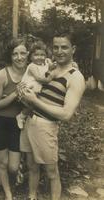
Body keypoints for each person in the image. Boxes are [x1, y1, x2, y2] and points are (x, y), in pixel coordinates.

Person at [19, 31, 86, 200]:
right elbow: (37, 87)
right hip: (30, 121)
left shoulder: (75, 77)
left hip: (46, 126)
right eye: (55, 47)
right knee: (32, 166)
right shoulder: (51, 68)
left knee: (51, 172)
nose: (59, 51)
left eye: (64, 47)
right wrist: (25, 95)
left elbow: (66, 114)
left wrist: (34, 100)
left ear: (73, 49)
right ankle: (32, 196)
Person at [0, 38, 29, 200]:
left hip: (19, 124)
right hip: (1, 122)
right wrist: (15, 93)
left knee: (13, 167)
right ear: (10, 56)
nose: (19, 57)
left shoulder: (31, 73)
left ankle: (15, 174)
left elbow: (50, 71)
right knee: (3, 163)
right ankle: (8, 194)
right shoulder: (1, 75)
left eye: (22, 53)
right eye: (15, 54)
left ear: (27, 54)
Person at [16, 40, 56, 129]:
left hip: (36, 90)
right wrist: (49, 78)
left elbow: (51, 66)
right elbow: (39, 78)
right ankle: (21, 116)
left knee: (38, 104)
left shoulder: (44, 64)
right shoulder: (32, 66)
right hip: (27, 89)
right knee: (34, 104)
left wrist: (50, 65)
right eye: (36, 55)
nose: (39, 57)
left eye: (42, 55)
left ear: (46, 56)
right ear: (31, 57)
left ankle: (28, 118)